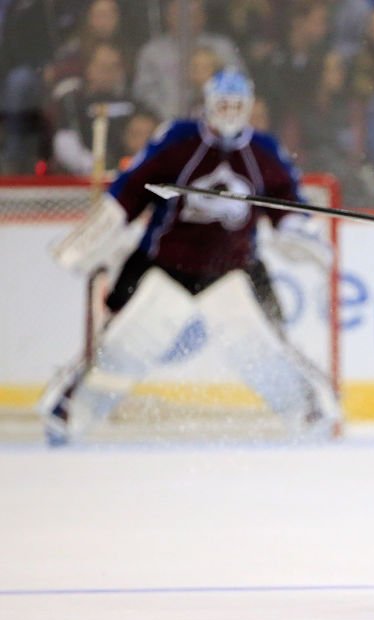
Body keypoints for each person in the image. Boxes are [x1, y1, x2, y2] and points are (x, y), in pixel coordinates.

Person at [41, 69, 339, 444]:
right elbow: (132, 190)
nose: (229, 112)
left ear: (248, 107)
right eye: (222, 104)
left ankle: (307, 415)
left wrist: (299, 232)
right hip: (164, 265)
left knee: (261, 347)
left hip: (233, 268)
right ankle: (69, 416)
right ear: (208, 104)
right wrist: (93, 237)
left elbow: (286, 202)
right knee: (122, 346)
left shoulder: (263, 150)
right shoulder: (179, 140)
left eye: (236, 105)